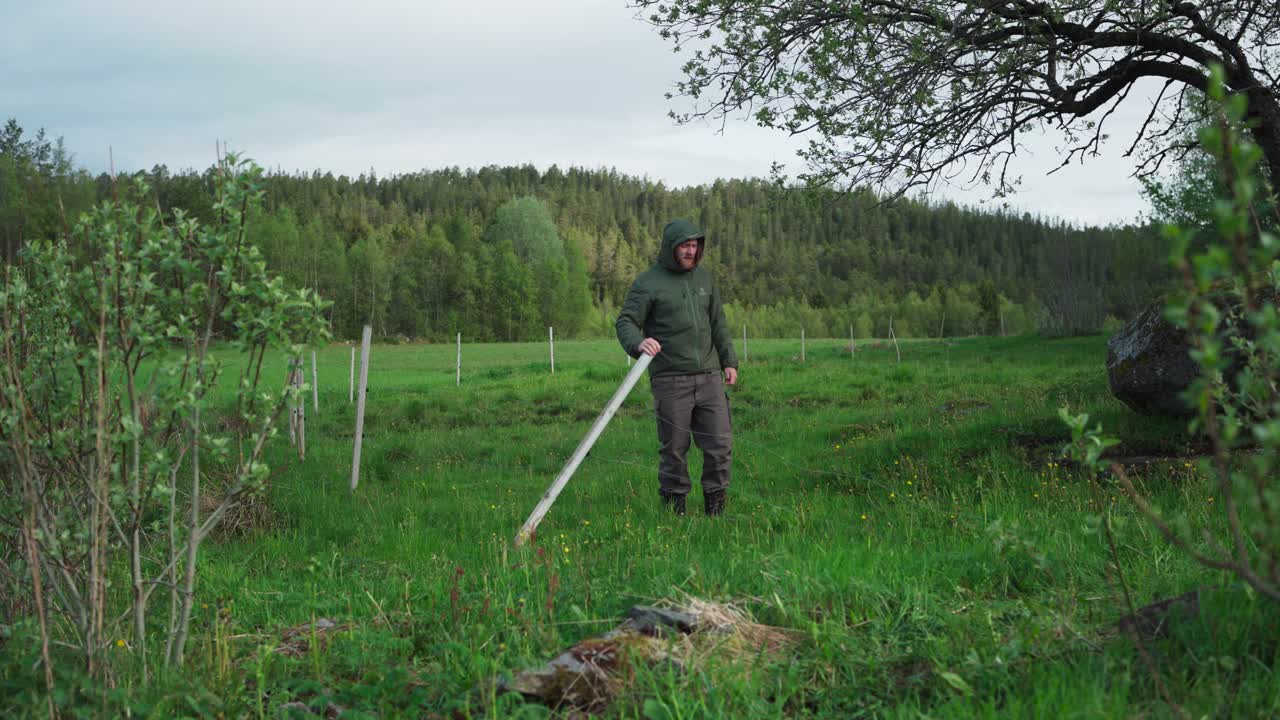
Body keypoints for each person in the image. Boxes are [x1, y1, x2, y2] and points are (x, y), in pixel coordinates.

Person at [616, 219, 738, 516]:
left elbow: (718, 323)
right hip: (670, 379)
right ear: (671, 247)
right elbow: (626, 321)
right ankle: (675, 513)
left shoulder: (705, 280)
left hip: (709, 377)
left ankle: (716, 510)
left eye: (694, 245)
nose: (690, 251)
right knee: (674, 449)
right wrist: (638, 343)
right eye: (684, 245)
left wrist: (728, 361)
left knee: (719, 445)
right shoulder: (648, 282)